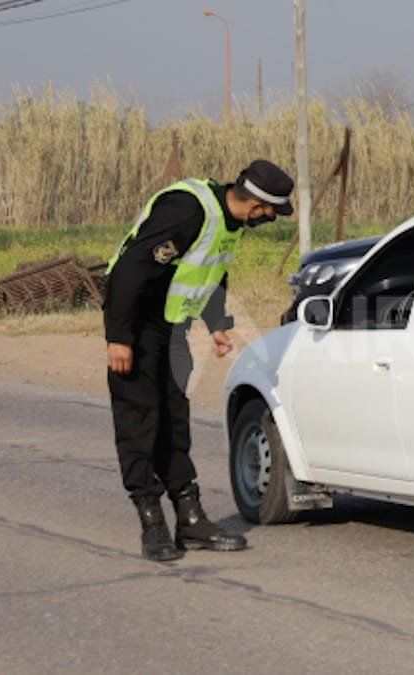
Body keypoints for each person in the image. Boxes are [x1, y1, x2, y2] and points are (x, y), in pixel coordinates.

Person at [104, 159, 294, 561]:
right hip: (138, 324)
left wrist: (216, 323)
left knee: (174, 421)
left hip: (173, 327)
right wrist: (119, 337)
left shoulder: (228, 224)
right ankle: (152, 523)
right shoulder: (187, 209)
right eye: (272, 212)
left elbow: (210, 273)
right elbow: (130, 269)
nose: (271, 219)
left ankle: (190, 518)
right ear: (258, 205)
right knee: (141, 422)